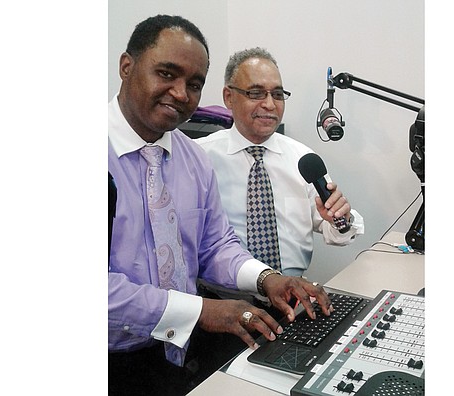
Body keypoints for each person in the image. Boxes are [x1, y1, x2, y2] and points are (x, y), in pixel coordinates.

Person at [108, 16, 333, 396]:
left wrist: (268, 279)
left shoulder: (192, 159)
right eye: (167, 73)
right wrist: (200, 311)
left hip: (176, 351)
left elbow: (215, 245)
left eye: (194, 84)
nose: (181, 94)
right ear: (126, 67)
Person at [196, 48, 364, 286]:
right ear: (228, 97)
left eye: (277, 94)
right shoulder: (199, 158)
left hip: (294, 294)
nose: (269, 104)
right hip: (225, 301)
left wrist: (341, 219)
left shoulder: (304, 159)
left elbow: (337, 232)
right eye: (256, 93)